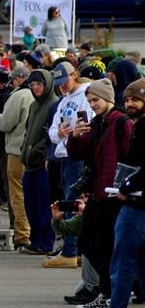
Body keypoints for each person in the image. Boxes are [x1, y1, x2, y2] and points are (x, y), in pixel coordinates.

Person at [67, 79, 134, 308]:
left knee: (104, 245)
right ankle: (109, 289)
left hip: (114, 194)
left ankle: (109, 292)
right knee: (87, 241)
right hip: (97, 191)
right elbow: (77, 153)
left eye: (95, 100)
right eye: (90, 101)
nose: (92, 104)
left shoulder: (121, 122)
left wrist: (125, 188)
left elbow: (130, 157)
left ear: (108, 99)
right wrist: (74, 136)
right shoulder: (99, 122)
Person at [88, 78, 145, 308]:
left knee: (121, 263)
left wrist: (126, 186)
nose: (130, 104)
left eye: (136, 99)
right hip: (134, 201)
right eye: (128, 99)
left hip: (135, 205)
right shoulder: (135, 124)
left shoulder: (140, 127)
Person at [45, 61, 92, 267]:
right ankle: (74, 249)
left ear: (75, 75)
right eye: (59, 83)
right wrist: (60, 133)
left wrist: (71, 134)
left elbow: (87, 127)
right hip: (65, 156)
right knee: (68, 200)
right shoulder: (64, 101)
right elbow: (52, 132)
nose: (63, 86)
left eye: (65, 81)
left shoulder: (86, 96)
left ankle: (70, 251)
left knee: (73, 201)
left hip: (77, 157)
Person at [20, 70, 58, 255]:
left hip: (43, 164)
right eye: (33, 85)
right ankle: (35, 240)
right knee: (31, 205)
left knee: (43, 206)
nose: (35, 88)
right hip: (29, 164)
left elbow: (51, 135)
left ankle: (45, 242)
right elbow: (28, 132)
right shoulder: (34, 105)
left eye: (39, 84)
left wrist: (36, 151)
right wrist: (24, 151)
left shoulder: (54, 104)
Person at [0, 66, 33, 248]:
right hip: (36, 152)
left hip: (17, 151)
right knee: (35, 193)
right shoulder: (41, 95)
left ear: (18, 80)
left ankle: (22, 233)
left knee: (17, 193)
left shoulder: (19, 96)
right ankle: (36, 231)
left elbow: (5, 123)